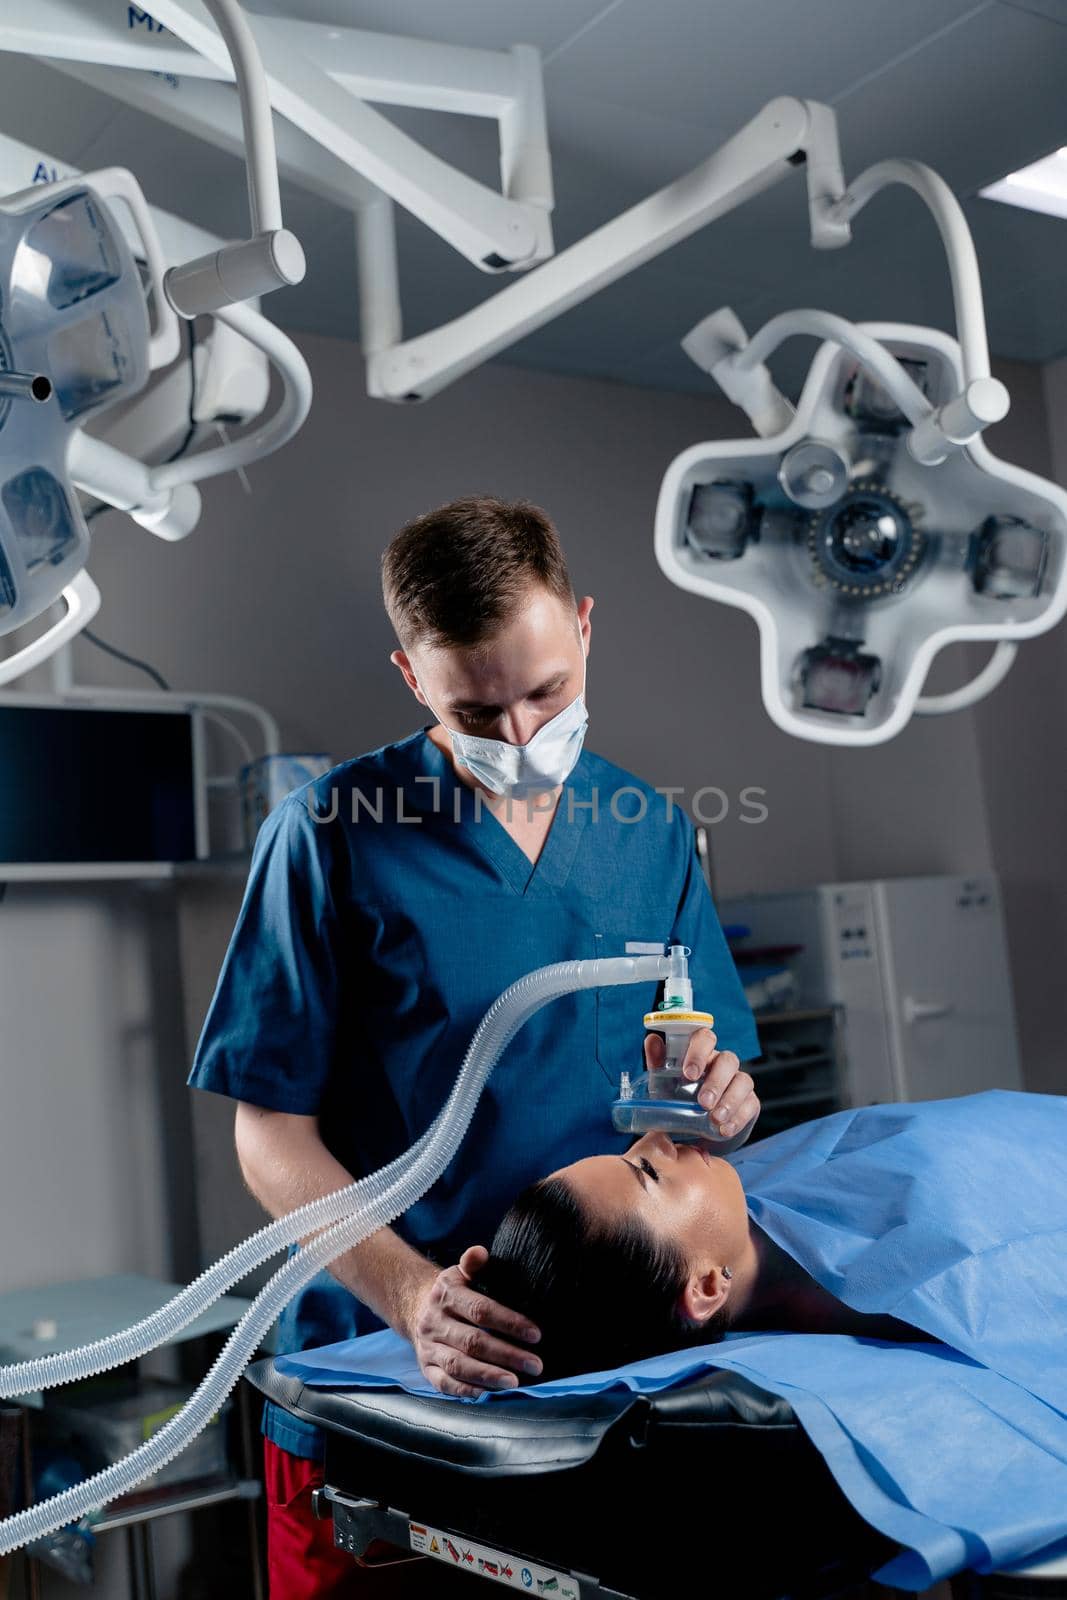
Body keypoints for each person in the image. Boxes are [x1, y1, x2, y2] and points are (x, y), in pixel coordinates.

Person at [188, 496, 762, 1598]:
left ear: (583, 628)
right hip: (382, 1376)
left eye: (546, 692)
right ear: (412, 678)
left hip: (593, 1380)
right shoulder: (326, 835)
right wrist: (411, 1299)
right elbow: (268, 1131)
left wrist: (718, 1101)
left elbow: (699, 1076)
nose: (519, 737)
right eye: (473, 709)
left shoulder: (649, 832)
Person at [472, 1127, 931, 1381]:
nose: (655, 1137)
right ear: (708, 1287)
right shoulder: (912, 1293)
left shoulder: (742, 1187)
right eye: (648, 1171)